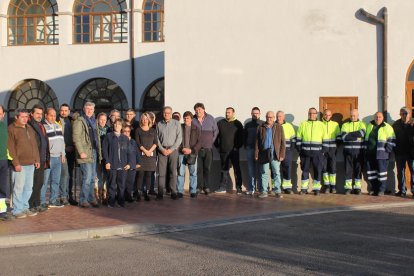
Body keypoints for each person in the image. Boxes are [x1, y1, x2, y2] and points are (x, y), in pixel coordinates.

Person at [8, 109, 40, 218]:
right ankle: (17, 210)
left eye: (26, 116)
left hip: (31, 164)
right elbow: (10, 148)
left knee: (28, 188)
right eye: (22, 117)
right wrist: (15, 163)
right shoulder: (11, 129)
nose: (25, 119)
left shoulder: (29, 128)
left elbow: (34, 145)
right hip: (19, 164)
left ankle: (25, 207)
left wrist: (37, 159)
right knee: (18, 188)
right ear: (17, 117)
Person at [72, 102, 101, 208]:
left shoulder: (94, 121)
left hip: (93, 151)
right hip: (85, 152)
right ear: (84, 109)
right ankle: (83, 199)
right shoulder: (79, 121)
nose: (89, 110)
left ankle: (91, 198)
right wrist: (81, 152)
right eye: (87, 108)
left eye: (91, 109)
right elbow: (76, 137)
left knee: (93, 178)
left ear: (94, 110)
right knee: (87, 177)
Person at [296, 108, 327, 195]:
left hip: (318, 153)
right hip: (305, 153)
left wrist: (322, 151)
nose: (311, 115)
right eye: (310, 113)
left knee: (318, 170)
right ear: (308, 114)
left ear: (316, 114)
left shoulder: (321, 125)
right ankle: (304, 189)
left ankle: (316, 189)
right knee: (305, 171)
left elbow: (325, 139)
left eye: (313, 113)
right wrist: (300, 150)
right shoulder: (303, 124)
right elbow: (298, 138)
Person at [102, 118, 132, 208]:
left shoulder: (125, 138)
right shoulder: (108, 136)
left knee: (122, 184)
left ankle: (121, 201)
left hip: (123, 165)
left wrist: (129, 163)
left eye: (118, 124)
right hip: (112, 164)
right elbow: (105, 150)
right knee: (112, 184)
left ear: (122, 126)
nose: (116, 126)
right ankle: (111, 201)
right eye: (115, 124)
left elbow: (129, 152)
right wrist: (107, 162)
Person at [255, 111, 286, 198]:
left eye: (271, 117)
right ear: (265, 117)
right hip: (264, 153)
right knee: (264, 173)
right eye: (268, 117)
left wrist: (282, 154)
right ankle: (264, 191)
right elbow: (257, 142)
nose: (269, 119)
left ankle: (277, 191)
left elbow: (283, 142)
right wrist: (256, 154)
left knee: (276, 173)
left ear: (274, 118)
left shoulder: (279, 127)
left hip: (275, 154)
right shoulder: (261, 127)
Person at [365, 111, 396, 196]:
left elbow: (392, 140)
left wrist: (387, 150)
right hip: (370, 154)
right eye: (376, 117)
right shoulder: (369, 126)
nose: (378, 118)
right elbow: (366, 139)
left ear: (383, 118)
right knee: (371, 174)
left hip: (382, 155)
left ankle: (381, 190)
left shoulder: (387, 127)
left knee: (382, 173)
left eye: (379, 117)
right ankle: (373, 189)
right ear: (374, 118)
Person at [214, 107, 244, 194]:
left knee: (237, 169)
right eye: (226, 112)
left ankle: (239, 188)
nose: (227, 114)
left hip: (234, 151)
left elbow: (241, 138)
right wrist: (218, 147)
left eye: (229, 112)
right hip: (223, 151)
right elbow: (215, 136)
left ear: (233, 113)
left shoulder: (238, 124)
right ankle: (222, 187)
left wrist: (236, 147)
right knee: (224, 170)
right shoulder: (220, 123)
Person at [192, 103, 219, 195]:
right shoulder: (193, 119)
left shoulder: (211, 118)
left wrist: (211, 141)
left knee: (207, 168)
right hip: (197, 149)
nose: (198, 111)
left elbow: (216, 131)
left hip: (208, 149)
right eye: (196, 109)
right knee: (198, 169)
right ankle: (199, 187)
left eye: (199, 109)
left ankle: (206, 187)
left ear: (203, 109)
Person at [42, 108, 66, 208]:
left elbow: (62, 141)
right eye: (51, 115)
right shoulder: (43, 126)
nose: (53, 117)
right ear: (46, 115)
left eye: (54, 115)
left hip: (58, 158)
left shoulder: (58, 126)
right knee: (44, 181)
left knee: (56, 181)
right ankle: (42, 201)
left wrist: (63, 154)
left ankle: (53, 200)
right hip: (48, 158)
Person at [156, 106, 182, 200]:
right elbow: (157, 138)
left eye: (168, 113)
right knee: (161, 173)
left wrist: (171, 149)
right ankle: (160, 192)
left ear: (171, 114)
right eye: (165, 113)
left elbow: (179, 138)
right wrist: (162, 149)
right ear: (163, 114)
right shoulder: (159, 124)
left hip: (173, 150)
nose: (166, 114)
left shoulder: (176, 124)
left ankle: (173, 192)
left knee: (172, 172)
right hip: (162, 151)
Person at [28, 105, 49, 212]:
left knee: (40, 182)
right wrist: (36, 158)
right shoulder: (30, 125)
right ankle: (31, 205)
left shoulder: (40, 125)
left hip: (42, 158)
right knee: (34, 183)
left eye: (41, 114)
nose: (39, 116)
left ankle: (37, 203)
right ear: (31, 114)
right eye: (37, 113)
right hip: (34, 159)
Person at [340, 109, 366, 195]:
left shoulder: (361, 124)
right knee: (348, 170)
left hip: (359, 152)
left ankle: (357, 188)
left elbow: (362, 134)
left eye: (354, 115)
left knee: (358, 170)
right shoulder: (345, 125)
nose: (352, 117)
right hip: (347, 152)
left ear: (358, 115)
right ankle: (348, 188)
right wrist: (355, 135)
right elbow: (343, 136)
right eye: (351, 115)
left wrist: (349, 135)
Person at [177, 111, 201, 198]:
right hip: (181, 153)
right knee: (180, 173)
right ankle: (180, 191)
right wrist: (181, 148)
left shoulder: (196, 128)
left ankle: (193, 191)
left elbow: (200, 142)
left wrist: (191, 150)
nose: (185, 119)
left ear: (191, 119)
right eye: (184, 118)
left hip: (192, 153)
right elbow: (176, 140)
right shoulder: (180, 127)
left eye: (187, 118)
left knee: (193, 173)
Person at [135, 113, 158, 201]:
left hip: (151, 156)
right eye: (143, 119)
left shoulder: (153, 130)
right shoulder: (138, 130)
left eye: (146, 119)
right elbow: (138, 142)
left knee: (149, 175)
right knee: (140, 175)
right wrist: (145, 151)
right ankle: (138, 193)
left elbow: (156, 142)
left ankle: (147, 193)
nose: (145, 120)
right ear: (141, 120)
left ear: (149, 120)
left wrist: (150, 151)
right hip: (141, 155)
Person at [58, 103, 77, 205]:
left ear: (69, 111)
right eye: (62, 110)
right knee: (64, 175)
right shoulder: (56, 121)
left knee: (70, 174)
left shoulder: (72, 120)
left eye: (66, 110)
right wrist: (65, 147)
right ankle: (63, 196)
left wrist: (73, 147)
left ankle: (69, 195)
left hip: (71, 151)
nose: (63, 112)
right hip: (61, 151)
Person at [392, 107, 414, 197]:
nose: (404, 115)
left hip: (412, 153)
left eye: (406, 113)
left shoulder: (413, 123)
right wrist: (394, 149)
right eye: (402, 114)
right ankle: (402, 190)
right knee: (400, 172)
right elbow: (392, 138)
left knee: (413, 171)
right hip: (400, 152)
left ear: (410, 113)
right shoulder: (396, 124)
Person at [244, 107, 264, 195]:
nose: (255, 115)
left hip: (260, 151)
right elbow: (244, 136)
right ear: (251, 114)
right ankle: (251, 188)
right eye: (254, 113)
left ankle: (260, 189)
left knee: (260, 170)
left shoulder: (263, 124)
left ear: (260, 114)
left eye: (257, 113)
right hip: (250, 149)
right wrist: (246, 145)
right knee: (251, 169)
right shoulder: (247, 124)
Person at [276, 111, 296, 194]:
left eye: (280, 116)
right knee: (275, 170)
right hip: (275, 151)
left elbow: (293, 139)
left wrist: (291, 149)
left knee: (287, 168)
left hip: (287, 151)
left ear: (284, 117)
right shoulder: (273, 125)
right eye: (277, 116)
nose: (279, 118)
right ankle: (275, 188)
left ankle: (287, 188)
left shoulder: (289, 126)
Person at [321, 109, 340, 194]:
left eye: (328, 115)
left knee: (333, 168)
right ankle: (327, 186)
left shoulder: (335, 124)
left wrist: (336, 147)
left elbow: (339, 136)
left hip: (332, 150)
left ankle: (333, 186)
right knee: (324, 168)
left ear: (331, 115)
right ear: (323, 115)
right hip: (323, 150)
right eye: (325, 114)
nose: (327, 116)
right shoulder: (320, 124)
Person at [122, 125, 140, 202]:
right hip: (124, 164)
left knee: (130, 181)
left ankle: (129, 195)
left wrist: (138, 162)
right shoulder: (120, 141)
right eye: (125, 131)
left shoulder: (133, 141)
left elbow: (136, 153)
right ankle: (122, 196)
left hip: (132, 164)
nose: (126, 133)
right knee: (123, 182)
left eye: (128, 131)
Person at [96, 112, 109, 205]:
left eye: (104, 120)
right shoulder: (94, 129)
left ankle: (105, 195)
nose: (102, 121)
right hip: (97, 155)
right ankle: (98, 195)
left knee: (106, 176)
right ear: (97, 119)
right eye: (101, 119)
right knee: (98, 176)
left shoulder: (109, 130)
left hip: (106, 156)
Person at [0, 106, 10, 220]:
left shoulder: (3, 126)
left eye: (0, 113)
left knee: (2, 187)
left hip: (3, 160)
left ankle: (1, 211)